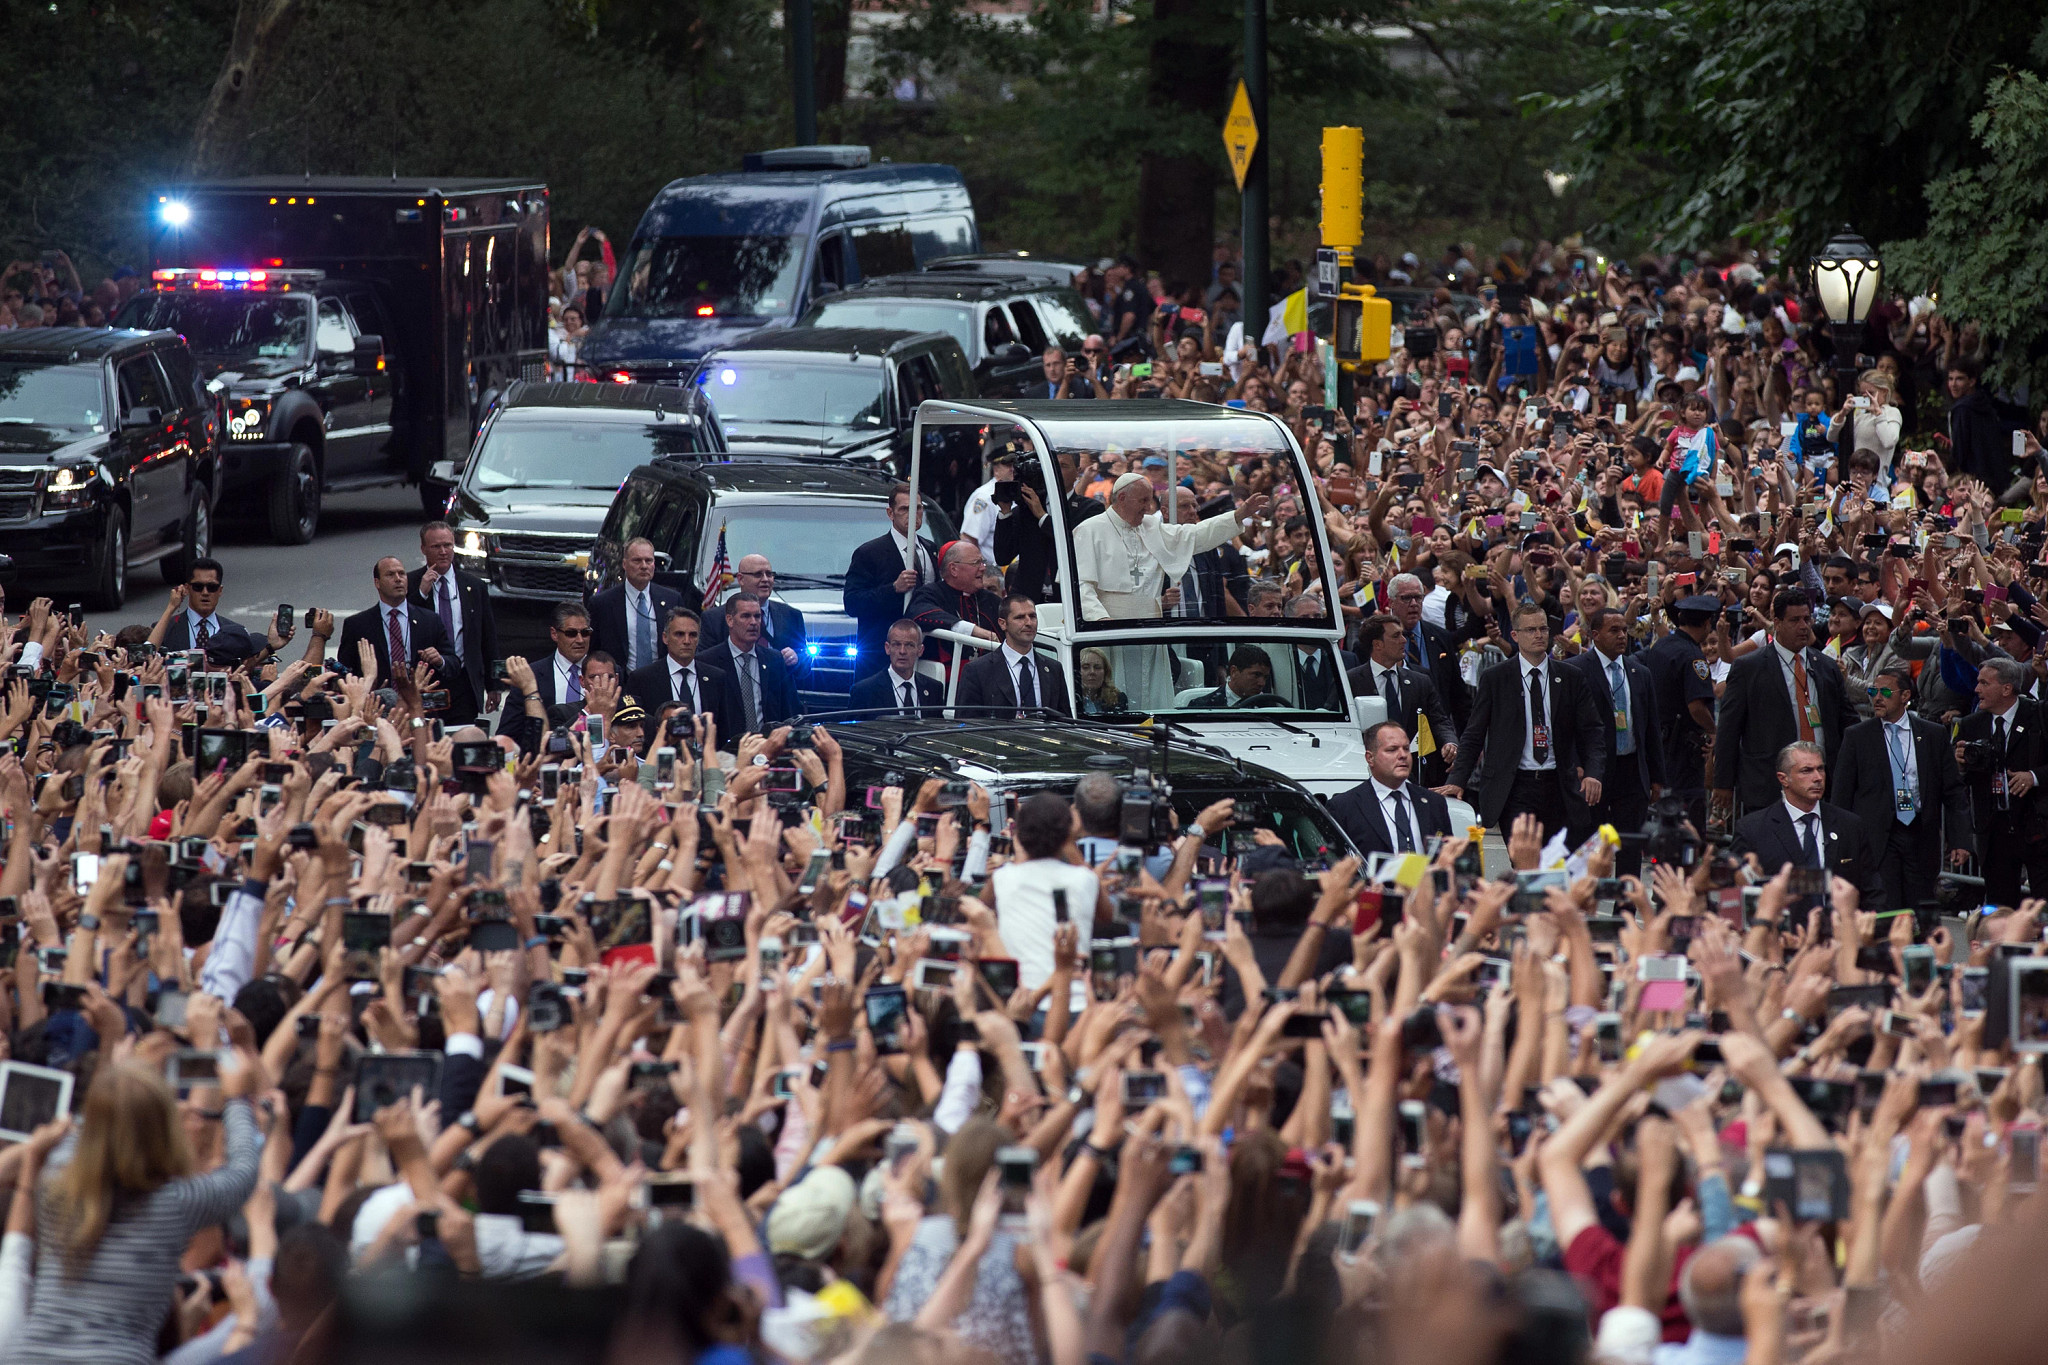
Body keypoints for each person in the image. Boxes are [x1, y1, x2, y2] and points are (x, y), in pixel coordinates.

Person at [9, 1057, 261, 1365]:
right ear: (165, 1131)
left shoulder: (54, 1184)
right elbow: (243, 1173)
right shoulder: (177, 1203)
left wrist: (115, 1090)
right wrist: (236, 1100)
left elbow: (97, 1133)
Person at [1442, 600, 1605, 843]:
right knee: (1523, 863)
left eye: (1543, 629)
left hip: (1559, 785)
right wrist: (1457, 781)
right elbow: (1474, 734)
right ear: (1515, 635)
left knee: (1556, 864)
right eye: (1531, 630)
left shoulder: (1570, 677)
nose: (1539, 635)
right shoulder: (1496, 679)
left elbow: (1592, 730)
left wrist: (1593, 772)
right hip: (1514, 787)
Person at [1831, 667, 1973, 910]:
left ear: (1905, 696)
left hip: (1920, 834)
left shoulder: (1932, 735)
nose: (1877, 697)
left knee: (1920, 910)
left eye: (1885, 692)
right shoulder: (1857, 736)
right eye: (1873, 691)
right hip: (1877, 838)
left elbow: (1953, 791)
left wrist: (1960, 839)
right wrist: (1839, 844)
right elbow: (1841, 796)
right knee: (1886, 907)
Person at [1714, 590, 1851, 820]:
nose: (1803, 626)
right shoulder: (1749, 667)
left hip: (1822, 781)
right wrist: (1723, 783)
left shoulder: (1826, 667)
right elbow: (1729, 728)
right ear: (1776, 623)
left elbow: (1846, 722)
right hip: (1768, 783)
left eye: (1807, 619)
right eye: (1795, 620)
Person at [1071, 473, 1268, 622]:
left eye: (1150, 501)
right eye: (1143, 501)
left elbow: (1196, 534)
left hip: (1151, 628)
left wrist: (1239, 514)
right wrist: (1101, 621)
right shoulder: (1090, 530)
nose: (1149, 508)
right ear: (1121, 498)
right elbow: (1080, 587)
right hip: (1108, 630)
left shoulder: (1150, 527)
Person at [1727, 742, 1882, 902]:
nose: (1818, 778)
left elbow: (1871, 890)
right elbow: (1736, 893)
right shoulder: (1752, 829)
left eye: (1820, 769)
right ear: (1783, 778)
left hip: (1838, 923)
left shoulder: (1850, 825)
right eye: (1806, 771)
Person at [1568, 605, 1664, 865]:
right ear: (1595, 634)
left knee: (1629, 847)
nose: (1622, 635)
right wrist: (1577, 765)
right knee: (1589, 847)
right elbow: (1567, 725)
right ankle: (1584, 902)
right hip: (1593, 771)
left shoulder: (1639, 673)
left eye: (1624, 630)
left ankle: (1625, 906)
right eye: (1614, 630)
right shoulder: (1575, 671)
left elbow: (1651, 728)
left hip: (1632, 770)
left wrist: (1656, 778)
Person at [1956, 656, 2048, 907]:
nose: (1976, 689)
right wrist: (1961, 765)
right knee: (2000, 907)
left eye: (1984, 683)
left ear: (2007, 688)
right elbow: (1959, 781)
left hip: (2037, 827)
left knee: (2043, 906)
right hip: (1993, 831)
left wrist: (2034, 776)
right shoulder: (1970, 724)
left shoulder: (2038, 715)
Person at [987, 792, 1098, 989]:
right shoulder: (1085, 879)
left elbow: (981, 909)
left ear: (1019, 835)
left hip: (1021, 997)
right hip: (1077, 998)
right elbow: (1106, 915)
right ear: (1068, 834)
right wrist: (1070, 840)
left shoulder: (1003, 878)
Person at [1346, 611, 1455, 783]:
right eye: (1396, 636)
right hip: (1365, 772)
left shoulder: (1420, 681)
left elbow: (1439, 720)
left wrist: (1450, 742)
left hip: (1414, 773)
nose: (1404, 640)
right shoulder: (1350, 681)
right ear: (1377, 644)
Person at [844, 483, 938, 680]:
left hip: (926, 653)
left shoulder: (931, 550)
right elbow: (852, 603)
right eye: (905, 509)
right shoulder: (869, 553)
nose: (913, 514)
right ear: (890, 513)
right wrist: (894, 588)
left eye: (918, 508)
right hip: (881, 657)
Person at [409, 521, 499, 725]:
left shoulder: (474, 586)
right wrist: (422, 593)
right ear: (423, 549)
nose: (443, 551)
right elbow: (404, 626)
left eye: (448, 545)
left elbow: (488, 637)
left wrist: (494, 684)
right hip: (427, 681)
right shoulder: (411, 583)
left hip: (464, 681)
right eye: (436, 546)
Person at [1643, 594, 1720, 833]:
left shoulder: (1662, 646)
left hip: (1659, 741)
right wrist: (1713, 730)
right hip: (1683, 747)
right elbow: (1696, 706)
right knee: (1688, 812)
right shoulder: (1693, 657)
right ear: (1707, 623)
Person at [1327, 719, 1455, 857]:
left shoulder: (1434, 803)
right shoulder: (1344, 808)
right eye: (1392, 750)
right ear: (1370, 758)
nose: (1403, 755)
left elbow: (1447, 858)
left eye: (1406, 748)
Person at [336, 556, 448, 691]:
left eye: (401, 574)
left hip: (420, 705)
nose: (398, 579)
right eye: (390, 575)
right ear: (377, 583)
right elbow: (344, 673)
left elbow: (453, 662)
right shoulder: (357, 625)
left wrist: (440, 660)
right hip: (377, 706)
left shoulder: (430, 620)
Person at [956, 594, 1071, 718]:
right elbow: (967, 723)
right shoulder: (977, 671)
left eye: (1032, 616)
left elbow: (1065, 719)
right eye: (1020, 617)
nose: (1029, 623)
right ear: (1003, 623)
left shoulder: (1053, 668)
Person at [702, 554, 810, 685]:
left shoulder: (792, 616)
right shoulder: (715, 618)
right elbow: (704, 666)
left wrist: (796, 658)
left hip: (777, 697)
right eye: (758, 574)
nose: (765, 579)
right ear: (741, 579)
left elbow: (805, 668)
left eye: (769, 574)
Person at [704, 593, 797, 737]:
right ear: (730, 620)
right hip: (726, 750)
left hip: (768, 747)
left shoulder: (774, 660)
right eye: (746, 616)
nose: (753, 622)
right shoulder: (709, 662)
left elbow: (789, 710)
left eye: (757, 616)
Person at [590, 537, 683, 678]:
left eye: (649, 560)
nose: (644, 566)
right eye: (637, 561)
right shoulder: (603, 603)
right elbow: (594, 649)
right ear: (624, 564)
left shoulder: (672, 599)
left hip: (661, 680)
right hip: (620, 683)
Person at [624, 605, 731, 726]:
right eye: (679, 634)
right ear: (665, 638)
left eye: (693, 635)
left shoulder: (715, 678)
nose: (686, 641)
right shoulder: (642, 679)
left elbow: (722, 729)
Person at [147, 558, 261, 667]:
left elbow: (248, 665)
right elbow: (147, 657)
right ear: (187, 589)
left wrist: (271, 646)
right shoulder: (166, 628)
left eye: (212, 587)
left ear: (220, 590)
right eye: (198, 587)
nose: (205, 592)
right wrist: (171, 608)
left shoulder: (235, 632)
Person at [908, 541, 1002, 671]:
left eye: (983, 562)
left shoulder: (990, 599)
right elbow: (918, 614)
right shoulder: (931, 593)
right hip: (949, 679)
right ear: (953, 569)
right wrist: (972, 630)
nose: (983, 568)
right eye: (976, 563)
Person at [849, 619, 944, 715]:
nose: (902, 651)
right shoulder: (865, 691)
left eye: (909, 645)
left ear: (920, 650)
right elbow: (852, 729)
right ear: (887, 648)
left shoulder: (934, 689)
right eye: (897, 644)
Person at [1946, 357, 2012, 489]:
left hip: (1973, 481)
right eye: (1950, 378)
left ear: (1972, 381)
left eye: (1959, 379)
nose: (1953, 384)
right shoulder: (1985, 402)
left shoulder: (1962, 409)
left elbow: (1960, 451)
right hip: (1996, 478)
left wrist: (1950, 471)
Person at [1186, 645, 1275, 709]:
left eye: (1265, 677)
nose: (1262, 683)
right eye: (1256, 675)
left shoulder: (1269, 707)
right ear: (1234, 672)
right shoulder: (1201, 707)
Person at [1075, 646, 1126, 716]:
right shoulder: (1069, 699)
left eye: (1097, 667)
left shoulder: (1118, 699)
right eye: (1085, 667)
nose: (1092, 672)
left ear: (1105, 672)